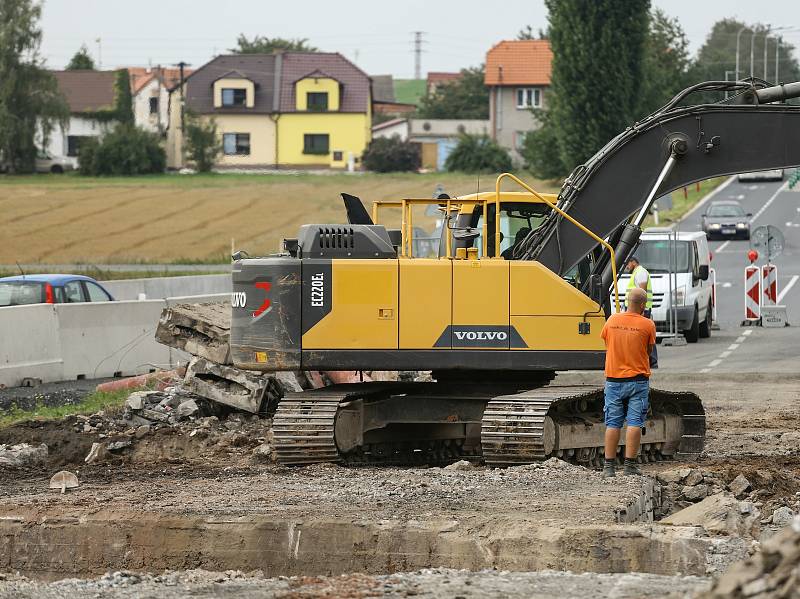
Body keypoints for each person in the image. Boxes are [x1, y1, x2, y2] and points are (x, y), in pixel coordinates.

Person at [600, 287, 656, 477]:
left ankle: (608, 467)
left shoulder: (612, 320)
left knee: (613, 423)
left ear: (627, 301)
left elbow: (607, 342)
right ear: (642, 305)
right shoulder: (648, 325)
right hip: (638, 381)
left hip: (614, 380)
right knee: (634, 422)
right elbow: (648, 351)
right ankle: (630, 466)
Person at [626, 255, 657, 368]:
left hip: (640, 309)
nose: (627, 267)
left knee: (646, 334)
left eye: (627, 264)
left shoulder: (640, 272)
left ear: (633, 262)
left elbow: (642, 292)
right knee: (643, 334)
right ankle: (650, 360)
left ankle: (652, 361)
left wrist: (641, 310)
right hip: (637, 309)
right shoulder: (637, 272)